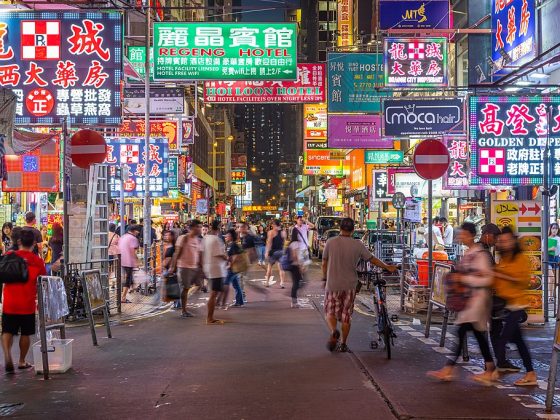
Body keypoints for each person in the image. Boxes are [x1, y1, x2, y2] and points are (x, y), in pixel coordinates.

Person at [427, 222, 496, 384]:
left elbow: (488, 278)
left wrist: (463, 278)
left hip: (477, 301)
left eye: (463, 234)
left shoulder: (480, 254)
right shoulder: (469, 252)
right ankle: (489, 367)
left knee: (463, 332)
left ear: (471, 235)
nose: (460, 237)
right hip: (468, 302)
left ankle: (449, 369)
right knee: (476, 335)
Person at [322, 218, 397, 352]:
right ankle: (344, 343)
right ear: (353, 230)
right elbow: (372, 259)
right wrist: (387, 266)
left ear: (340, 228)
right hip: (350, 285)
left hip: (333, 283)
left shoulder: (330, 242)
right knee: (346, 315)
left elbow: (324, 262)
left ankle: (334, 331)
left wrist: (324, 278)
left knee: (330, 311)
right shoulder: (358, 245)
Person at [492, 227, 537, 386]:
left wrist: (499, 274)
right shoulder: (504, 258)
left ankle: (495, 372)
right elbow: (497, 281)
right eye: (501, 241)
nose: (504, 243)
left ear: (513, 241)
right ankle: (530, 373)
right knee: (518, 341)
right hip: (507, 305)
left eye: (507, 240)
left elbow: (522, 281)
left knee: (503, 338)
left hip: (517, 305)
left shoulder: (520, 259)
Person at [1, 229, 46, 373]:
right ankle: (21, 361)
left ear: (19, 241)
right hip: (27, 303)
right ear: (33, 243)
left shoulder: (9, 255)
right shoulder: (37, 261)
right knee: (25, 333)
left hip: (9, 300)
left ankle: (7, 355)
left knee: (7, 330)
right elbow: (43, 281)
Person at [170, 220, 203, 318]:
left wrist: (201, 267)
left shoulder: (197, 239)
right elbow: (177, 253)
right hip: (184, 267)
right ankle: (183, 310)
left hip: (194, 267)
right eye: (199, 227)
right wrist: (173, 266)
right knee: (185, 288)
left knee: (199, 286)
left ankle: (181, 303)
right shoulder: (183, 238)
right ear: (193, 228)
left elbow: (198, 253)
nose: (200, 229)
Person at [201, 220, 228, 324]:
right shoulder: (216, 239)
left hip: (208, 268)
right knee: (213, 294)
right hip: (216, 269)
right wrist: (227, 258)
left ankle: (211, 316)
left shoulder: (206, 238)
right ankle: (210, 318)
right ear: (219, 227)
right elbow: (220, 254)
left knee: (214, 293)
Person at [221, 229, 244, 308]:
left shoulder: (234, 245)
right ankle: (239, 301)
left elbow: (235, 257)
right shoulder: (229, 244)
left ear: (231, 236)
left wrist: (229, 266)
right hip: (233, 268)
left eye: (227, 235)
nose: (226, 237)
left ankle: (222, 302)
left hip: (233, 268)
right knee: (236, 284)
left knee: (226, 283)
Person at [118, 224, 141, 304]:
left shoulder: (123, 237)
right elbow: (132, 251)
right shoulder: (133, 238)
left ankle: (132, 292)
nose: (138, 232)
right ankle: (123, 297)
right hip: (129, 262)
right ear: (134, 231)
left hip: (121, 260)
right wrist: (136, 261)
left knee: (128, 278)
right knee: (128, 279)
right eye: (137, 230)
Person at [265, 220, 287, 288]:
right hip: (281, 251)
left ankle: (267, 282)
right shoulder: (283, 232)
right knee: (281, 268)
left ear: (274, 224)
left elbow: (269, 243)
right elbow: (284, 242)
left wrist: (267, 252)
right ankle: (282, 283)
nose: (272, 225)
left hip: (273, 252)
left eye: (273, 224)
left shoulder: (271, 232)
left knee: (269, 267)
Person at [287, 228, 305, 308]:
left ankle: (294, 300)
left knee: (297, 283)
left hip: (293, 265)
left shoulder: (292, 243)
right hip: (295, 266)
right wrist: (300, 266)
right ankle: (294, 301)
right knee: (297, 283)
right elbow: (295, 256)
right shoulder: (295, 243)